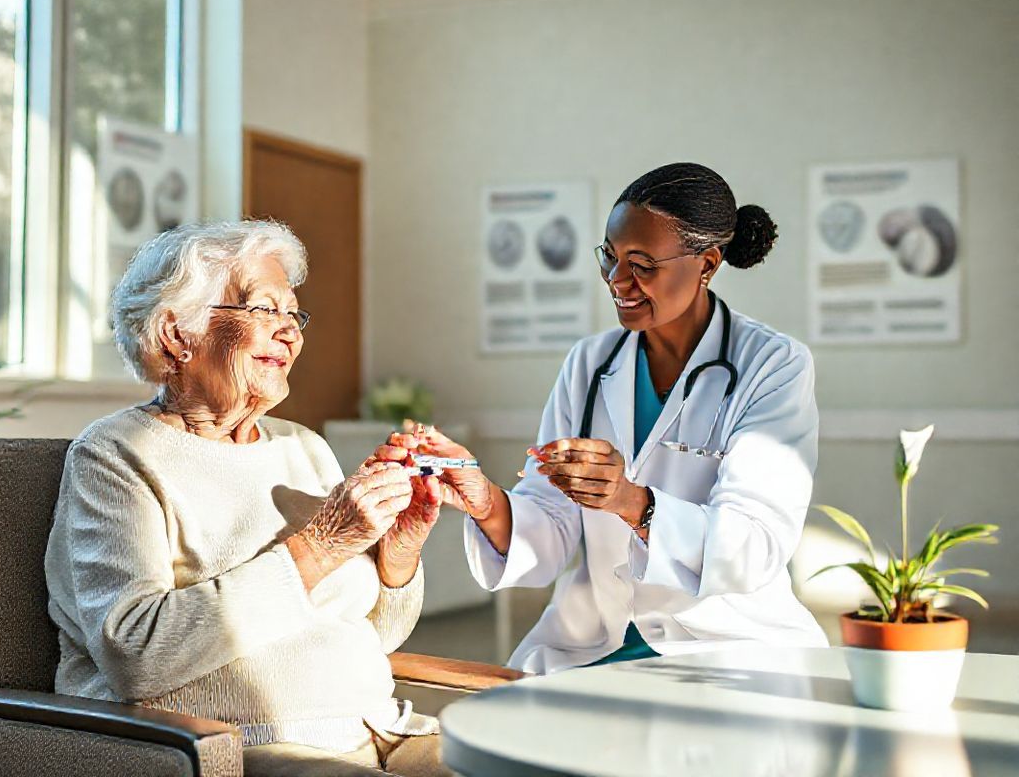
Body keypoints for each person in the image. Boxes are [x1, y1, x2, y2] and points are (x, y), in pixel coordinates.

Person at [382, 163, 827, 674]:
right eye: (611, 258)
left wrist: (630, 502)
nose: (618, 281)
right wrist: (485, 501)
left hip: (728, 648)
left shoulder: (772, 364)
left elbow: (754, 546)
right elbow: (550, 525)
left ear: (706, 264)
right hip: (591, 645)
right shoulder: (590, 364)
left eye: (642, 264)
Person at [44, 220, 450, 776]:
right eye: (264, 310)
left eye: (293, 314)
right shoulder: (117, 455)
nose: (290, 333)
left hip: (380, 729)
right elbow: (136, 652)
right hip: (240, 747)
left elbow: (368, 634)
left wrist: (397, 554)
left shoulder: (302, 447)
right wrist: (323, 544)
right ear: (176, 334)